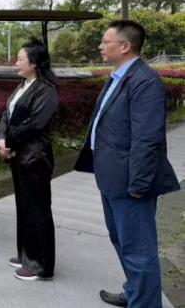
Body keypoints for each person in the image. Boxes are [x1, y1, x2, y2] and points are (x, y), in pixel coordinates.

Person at [75, 20, 180, 308]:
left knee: (139, 250)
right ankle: (136, 292)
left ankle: (144, 302)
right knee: (121, 241)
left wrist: (139, 185)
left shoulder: (144, 81)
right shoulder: (119, 76)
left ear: (125, 46)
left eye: (105, 41)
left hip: (131, 183)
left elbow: (147, 140)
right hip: (112, 177)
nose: (100, 46)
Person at [0, 39, 59, 281]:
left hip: (35, 158)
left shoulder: (46, 90)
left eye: (20, 59)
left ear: (34, 63)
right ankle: (26, 254)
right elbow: (7, 115)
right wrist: (0, 139)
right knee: (24, 208)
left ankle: (40, 264)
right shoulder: (23, 86)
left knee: (38, 210)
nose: (16, 63)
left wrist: (9, 142)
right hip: (19, 156)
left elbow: (34, 125)